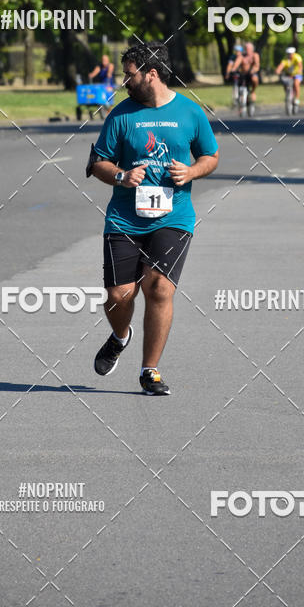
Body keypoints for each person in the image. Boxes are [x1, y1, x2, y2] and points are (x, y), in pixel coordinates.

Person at [86, 41, 219, 395]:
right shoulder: (121, 115)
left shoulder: (190, 112)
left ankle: (150, 371)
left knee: (159, 287)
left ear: (152, 74)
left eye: (129, 75)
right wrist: (121, 176)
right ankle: (120, 336)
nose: (124, 81)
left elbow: (210, 156)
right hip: (124, 219)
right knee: (119, 294)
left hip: (173, 217)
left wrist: (191, 172)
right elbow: (98, 163)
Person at [239, 41, 260, 116]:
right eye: (246, 48)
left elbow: (257, 65)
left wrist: (253, 70)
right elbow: (237, 63)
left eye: (248, 49)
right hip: (243, 75)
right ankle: (241, 105)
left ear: (252, 49)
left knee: (254, 79)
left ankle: (253, 91)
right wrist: (233, 69)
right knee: (240, 87)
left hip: (251, 74)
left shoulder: (255, 55)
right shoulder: (242, 56)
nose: (247, 50)